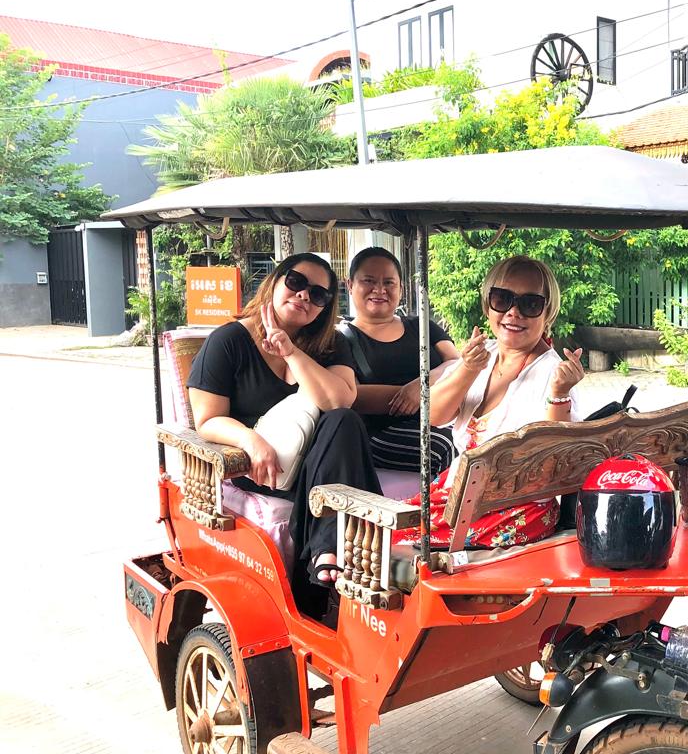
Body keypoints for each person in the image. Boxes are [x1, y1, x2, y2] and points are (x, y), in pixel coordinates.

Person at [186, 253, 380, 619]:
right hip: (265, 468)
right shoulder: (229, 341)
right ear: (274, 283)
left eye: (319, 295)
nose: (305, 296)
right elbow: (207, 419)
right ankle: (328, 566)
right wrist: (251, 441)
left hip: (318, 463)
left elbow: (341, 399)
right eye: (296, 282)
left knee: (343, 421)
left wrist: (291, 353)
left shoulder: (329, 343)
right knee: (344, 435)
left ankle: (324, 556)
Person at [406, 254, 587, 551]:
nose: (513, 313)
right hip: (459, 495)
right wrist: (467, 369)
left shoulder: (553, 372)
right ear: (488, 304)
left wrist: (559, 392)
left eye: (530, 304)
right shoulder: (482, 353)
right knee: (383, 529)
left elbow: (555, 462)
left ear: (548, 312)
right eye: (502, 299)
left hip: (515, 507)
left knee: (403, 540)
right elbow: (433, 417)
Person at [342, 246, 460, 472]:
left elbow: (456, 363)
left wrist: (421, 386)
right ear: (350, 285)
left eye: (388, 282)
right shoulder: (341, 339)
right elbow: (352, 396)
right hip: (379, 434)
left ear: (401, 289)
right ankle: (441, 508)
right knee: (450, 445)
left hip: (440, 419)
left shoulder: (422, 325)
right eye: (368, 281)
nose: (379, 289)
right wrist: (410, 395)